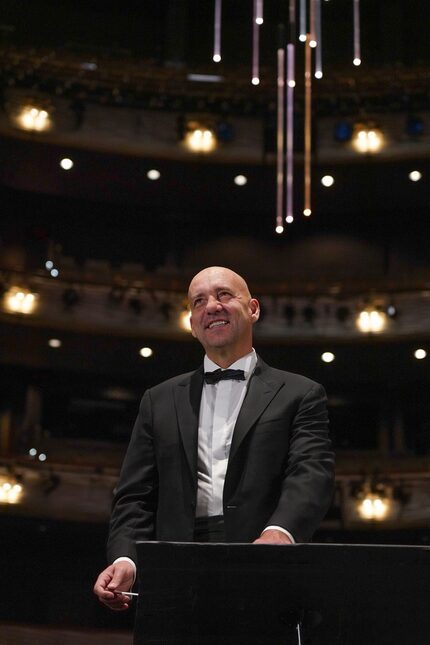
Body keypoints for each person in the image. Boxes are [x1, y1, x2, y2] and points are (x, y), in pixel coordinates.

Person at [93, 266, 334, 611]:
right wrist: (127, 561)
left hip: (262, 562)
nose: (212, 306)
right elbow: (135, 496)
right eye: (199, 301)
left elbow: (311, 474)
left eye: (224, 295)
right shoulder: (157, 400)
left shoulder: (301, 393)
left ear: (253, 309)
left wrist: (280, 532)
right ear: (192, 324)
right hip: (172, 568)